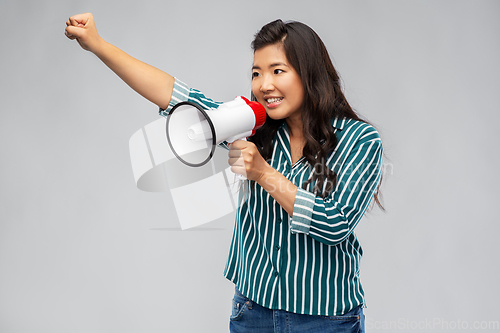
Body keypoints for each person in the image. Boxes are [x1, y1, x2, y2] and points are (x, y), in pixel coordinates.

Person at [65, 13, 383, 333]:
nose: (264, 85)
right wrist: (97, 44)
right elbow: (173, 93)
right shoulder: (253, 128)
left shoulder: (360, 140)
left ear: (308, 74)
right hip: (253, 311)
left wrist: (263, 173)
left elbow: (335, 223)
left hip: (325, 319)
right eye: (257, 73)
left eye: (277, 71)